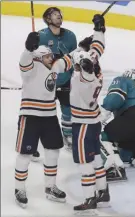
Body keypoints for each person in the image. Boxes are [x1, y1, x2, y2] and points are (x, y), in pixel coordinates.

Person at [14, 31, 73, 207]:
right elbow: (24, 60)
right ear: (39, 57)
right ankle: (19, 188)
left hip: (49, 117)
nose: (51, 58)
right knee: (25, 154)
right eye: (48, 56)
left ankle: (50, 186)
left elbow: (69, 59)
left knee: (53, 152)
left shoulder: (54, 67)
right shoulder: (31, 67)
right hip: (30, 116)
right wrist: (28, 48)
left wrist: (86, 45)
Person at [70, 14, 110, 213]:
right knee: (95, 159)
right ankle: (103, 192)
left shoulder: (82, 78)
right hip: (94, 121)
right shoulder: (94, 68)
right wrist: (98, 30)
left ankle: (89, 198)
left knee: (85, 162)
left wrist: (80, 51)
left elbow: (74, 60)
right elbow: (97, 48)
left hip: (82, 124)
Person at [32, 7, 77, 160]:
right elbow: (33, 59)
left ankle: (68, 136)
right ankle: (31, 142)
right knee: (40, 113)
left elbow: (74, 58)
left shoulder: (70, 36)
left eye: (60, 14)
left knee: (68, 110)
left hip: (65, 80)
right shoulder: (41, 36)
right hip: (47, 82)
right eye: (55, 15)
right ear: (48, 19)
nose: (59, 17)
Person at [100, 69, 135, 181]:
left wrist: (100, 114)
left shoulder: (122, 80)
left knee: (99, 133)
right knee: (124, 154)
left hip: (132, 117)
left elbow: (115, 98)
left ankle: (113, 167)